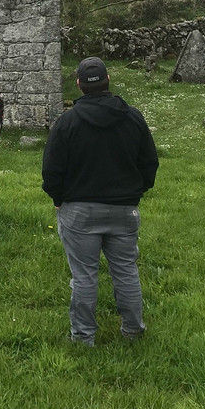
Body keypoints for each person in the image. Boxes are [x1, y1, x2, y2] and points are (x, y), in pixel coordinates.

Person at [42, 57, 159, 345]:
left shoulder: (67, 122)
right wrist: (135, 193)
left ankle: (83, 337)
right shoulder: (133, 117)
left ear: (79, 85)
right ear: (108, 80)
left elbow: (52, 168)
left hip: (79, 209)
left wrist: (58, 198)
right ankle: (133, 331)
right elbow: (149, 162)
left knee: (84, 275)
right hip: (124, 208)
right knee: (126, 270)